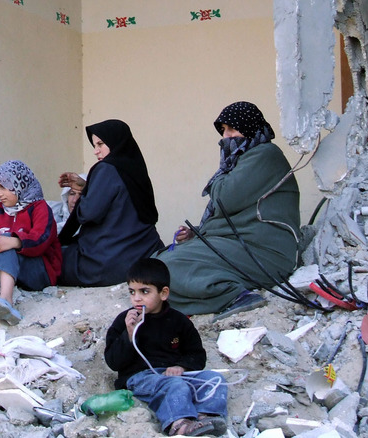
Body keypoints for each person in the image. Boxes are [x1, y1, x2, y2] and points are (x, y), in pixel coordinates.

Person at [155, 101, 300, 319]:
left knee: (161, 272)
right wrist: (196, 233)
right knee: (153, 267)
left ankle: (235, 296)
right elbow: (236, 213)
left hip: (264, 253)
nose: (226, 137)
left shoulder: (265, 154)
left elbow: (225, 198)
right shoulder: (244, 159)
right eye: (223, 131)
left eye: (232, 129)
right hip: (240, 244)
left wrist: (221, 172)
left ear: (249, 127)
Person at [104, 258, 228, 436]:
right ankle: (179, 424)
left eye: (144, 291)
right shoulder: (125, 321)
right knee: (175, 386)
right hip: (139, 378)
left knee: (214, 379)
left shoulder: (179, 321)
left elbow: (197, 354)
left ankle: (206, 416)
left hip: (172, 374)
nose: (137, 298)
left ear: (163, 293)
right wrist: (129, 335)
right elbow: (113, 362)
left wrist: (182, 366)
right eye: (132, 292)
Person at [59, 119, 164, 286]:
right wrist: (87, 186)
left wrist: (84, 193)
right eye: (95, 146)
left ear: (115, 141)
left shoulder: (106, 169)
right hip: (142, 256)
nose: (96, 151)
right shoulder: (135, 169)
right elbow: (118, 198)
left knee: (50, 260)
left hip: (106, 263)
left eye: (100, 144)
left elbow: (89, 213)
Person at [0, 160, 61, 326]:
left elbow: (40, 240)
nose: (0, 194)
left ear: (20, 185)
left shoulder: (39, 208)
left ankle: (6, 300)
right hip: (10, 272)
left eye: (4, 187)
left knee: (3, 241)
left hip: (40, 272)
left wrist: (13, 242)